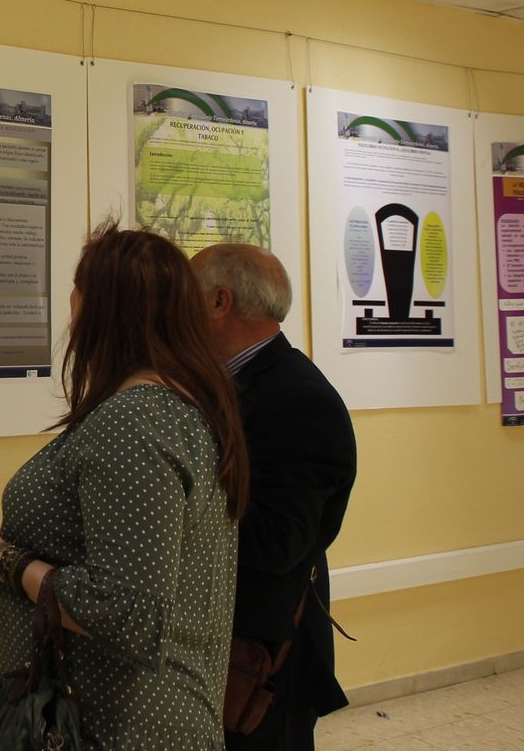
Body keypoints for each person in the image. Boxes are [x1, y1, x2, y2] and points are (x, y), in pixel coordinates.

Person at [0, 222, 248, 750]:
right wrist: (6, 555)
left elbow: (127, 611)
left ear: (101, 308)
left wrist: (6, 562)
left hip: (114, 728)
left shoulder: (132, 422)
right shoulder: (181, 411)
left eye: (78, 288)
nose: (71, 304)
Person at [192, 244, 357, 751]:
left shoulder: (297, 398)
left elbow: (277, 541)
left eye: (184, 298)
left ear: (220, 302)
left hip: (263, 665)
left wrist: (165, 515)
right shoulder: (229, 383)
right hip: (226, 650)